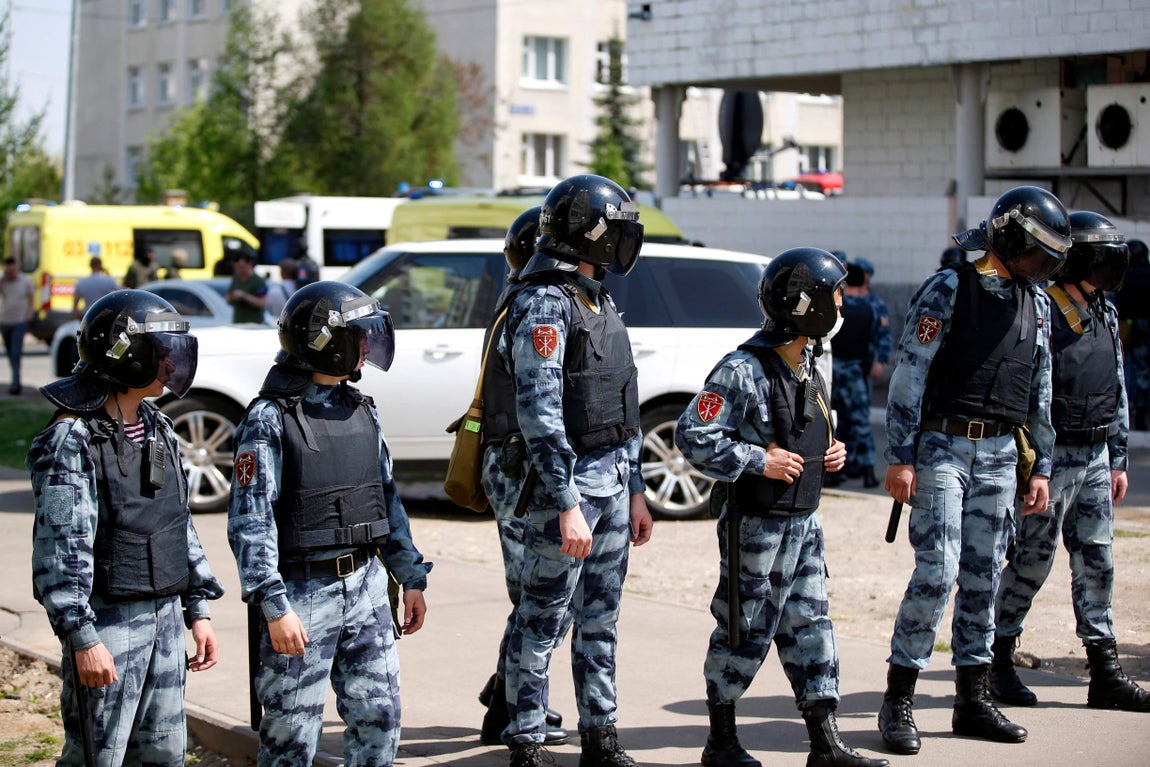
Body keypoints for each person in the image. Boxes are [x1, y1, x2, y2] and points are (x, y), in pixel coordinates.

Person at [676, 247, 888, 767]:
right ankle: (721, 742)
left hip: (804, 522)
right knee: (743, 627)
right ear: (807, 306)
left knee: (812, 626)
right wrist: (756, 459)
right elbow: (693, 435)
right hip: (756, 526)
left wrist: (830, 450)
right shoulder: (742, 369)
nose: (841, 306)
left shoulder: (809, 360)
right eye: (834, 297)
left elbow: (807, 426)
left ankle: (826, 744)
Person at [879, 186, 1066, 755]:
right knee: (937, 572)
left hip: (1003, 456)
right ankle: (899, 699)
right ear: (1009, 237)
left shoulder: (1037, 302)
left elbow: (1040, 392)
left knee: (983, 578)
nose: (1040, 264)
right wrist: (900, 456)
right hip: (942, 449)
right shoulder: (949, 288)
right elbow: (910, 373)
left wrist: (1041, 469)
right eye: (1035, 251)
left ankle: (972, 700)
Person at [482, 174, 653, 767]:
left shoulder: (595, 298)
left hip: (610, 483)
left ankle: (600, 739)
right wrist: (566, 502)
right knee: (542, 617)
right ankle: (525, 741)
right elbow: (540, 415)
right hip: (567, 493)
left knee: (601, 620)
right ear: (592, 236)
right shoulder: (543, 303)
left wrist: (635, 490)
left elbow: (621, 405)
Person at [227, 281, 432, 767]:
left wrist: (410, 575)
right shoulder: (269, 419)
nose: (365, 348)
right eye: (356, 337)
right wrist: (274, 607)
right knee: (290, 741)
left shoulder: (361, 409)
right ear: (323, 341)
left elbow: (385, 498)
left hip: (366, 587)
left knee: (380, 723)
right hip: (301, 596)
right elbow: (250, 522)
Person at [28, 289, 223, 766]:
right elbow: (62, 549)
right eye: (160, 354)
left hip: (163, 618)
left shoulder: (158, 425)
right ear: (128, 356)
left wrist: (196, 608)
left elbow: (177, 521)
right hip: (108, 624)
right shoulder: (73, 437)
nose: (169, 365)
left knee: (164, 754)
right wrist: (82, 638)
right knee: (99, 756)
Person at [990, 211, 1149, 712]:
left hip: (1097, 456)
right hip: (1053, 459)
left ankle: (1104, 670)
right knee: (1030, 564)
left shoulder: (1102, 307)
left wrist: (1117, 455)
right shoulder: (1044, 309)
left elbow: (1116, 385)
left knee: (1098, 562)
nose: (1112, 269)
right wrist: (1032, 465)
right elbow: (1030, 393)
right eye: (1104, 258)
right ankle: (996, 661)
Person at [476, 205, 569, 747]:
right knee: (541, 595)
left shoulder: (515, 299)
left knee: (536, 596)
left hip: (512, 462)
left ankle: (505, 698)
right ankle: (509, 707)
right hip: (519, 465)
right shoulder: (530, 306)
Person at [827, 257, 890, 488]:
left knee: (834, 423)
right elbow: (878, 338)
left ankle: (835, 471)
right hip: (856, 373)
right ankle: (868, 470)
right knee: (861, 423)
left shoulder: (836, 308)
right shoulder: (869, 309)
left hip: (833, 372)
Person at [1116, 238, 1149, 430]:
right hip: (1145, 328)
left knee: (1128, 370)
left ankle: (1132, 410)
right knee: (1143, 371)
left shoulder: (1126, 275)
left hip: (1128, 327)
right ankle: (1142, 412)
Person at [1, 256, 36, 394]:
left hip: (19, 321)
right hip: (5, 320)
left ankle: (16, 383)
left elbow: (31, 298)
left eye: (12, 269)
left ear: (17, 268)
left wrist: (29, 314)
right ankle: (15, 378)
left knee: (16, 353)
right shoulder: (4, 280)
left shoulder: (25, 280)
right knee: (10, 352)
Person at [227, 251, 268, 323]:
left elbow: (262, 303)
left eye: (241, 267)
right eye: (236, 267)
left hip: (254, 323)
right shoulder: (236, 279)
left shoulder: (258, 281)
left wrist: (243, 296)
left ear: (250, 264)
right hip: (238, 322)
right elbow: (227, 299)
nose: (239, 270)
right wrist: (233, 297)